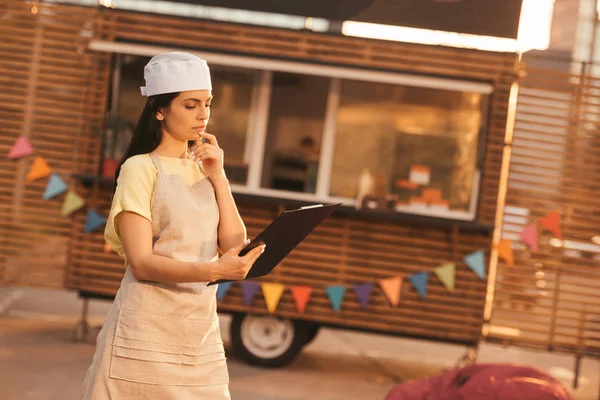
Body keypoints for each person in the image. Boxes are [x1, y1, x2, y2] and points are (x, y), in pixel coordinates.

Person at [80, 52, 265, 399]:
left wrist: (219, 176)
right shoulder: (140, 169)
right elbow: (142, 263)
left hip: (198, 331)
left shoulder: (204, 167)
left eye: (207, 104)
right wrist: (218, 271)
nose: (203, 114)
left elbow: (232, 242)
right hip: (144, 330)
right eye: (190, 104)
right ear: (160, 109)